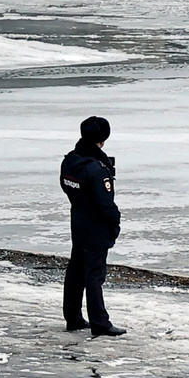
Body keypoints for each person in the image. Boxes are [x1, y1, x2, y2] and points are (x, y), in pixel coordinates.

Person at [60, 115, 126, 336]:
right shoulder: (96, 169)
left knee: (76, 270)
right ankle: (100, 323)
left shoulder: (70, 161)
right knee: (94, 275)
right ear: (102, 140)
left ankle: (73, 317)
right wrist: (115, 221)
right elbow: (104, 203)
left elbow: (67, 187)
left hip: (78, 221)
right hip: (95, 227)